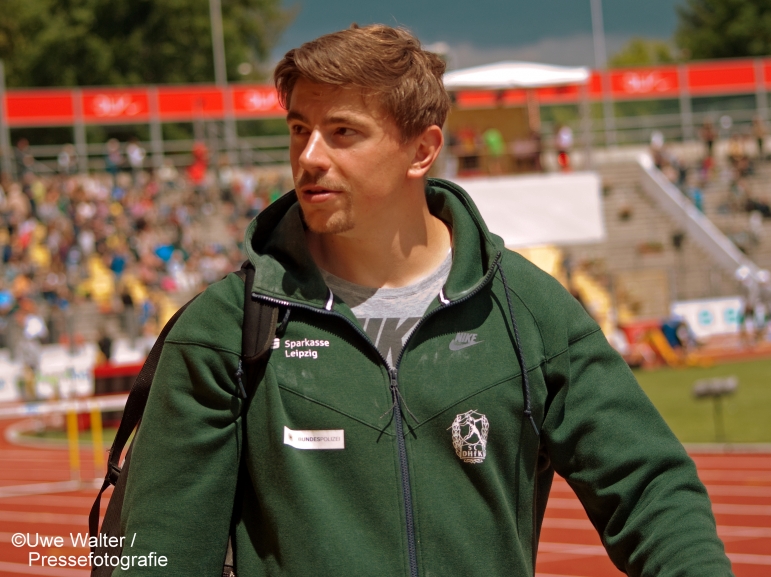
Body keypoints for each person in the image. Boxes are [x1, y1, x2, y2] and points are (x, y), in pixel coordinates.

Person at [115, 25, 732, 576]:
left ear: (422, 149)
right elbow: (159, 555)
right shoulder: (225, 328)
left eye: (342, 133)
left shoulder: (528, 310)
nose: (308, 157)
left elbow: (650, 488)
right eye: (300, 129)